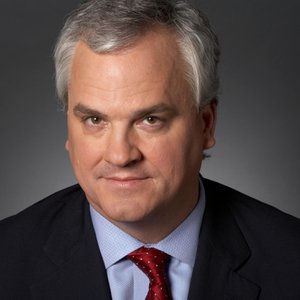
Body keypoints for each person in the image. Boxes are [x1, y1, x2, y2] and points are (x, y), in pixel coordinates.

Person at [0, 0, 299, 299]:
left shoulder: (290, 261)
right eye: (94, 119)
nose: (120, 155)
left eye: (150, 119)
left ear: (206, 125)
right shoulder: (8, 260)